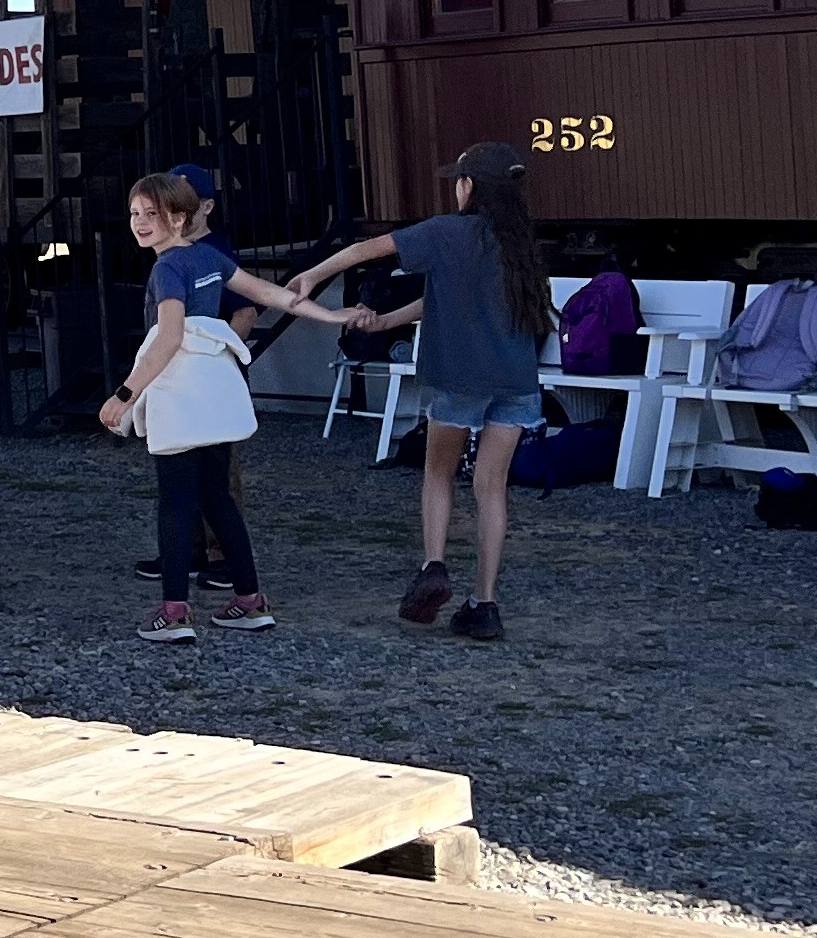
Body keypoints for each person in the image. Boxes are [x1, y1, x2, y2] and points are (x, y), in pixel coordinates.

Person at [295, 143, 552, 643]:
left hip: (459, 380)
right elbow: (440, 297)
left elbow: (364, 249)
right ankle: (485, 602)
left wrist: (313, 275)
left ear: (468, 186)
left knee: (438, 473)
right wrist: (387, 321)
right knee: (491, 487)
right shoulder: (519, 242)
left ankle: (433, 564)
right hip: (517, 382)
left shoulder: (444, 232)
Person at [94, 169, 349, 639]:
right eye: (134, 213)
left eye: (153, 213)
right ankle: (250, 601)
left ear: (179, 216)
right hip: (214, 390)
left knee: (175, 503)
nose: (140, 222)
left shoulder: (167, 267)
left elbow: (169, 337)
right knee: (217, 497)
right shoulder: (209, 256)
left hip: (177, 391)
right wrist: (330, 316)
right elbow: (273, 295)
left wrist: (124, 395)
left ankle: (173, 613)